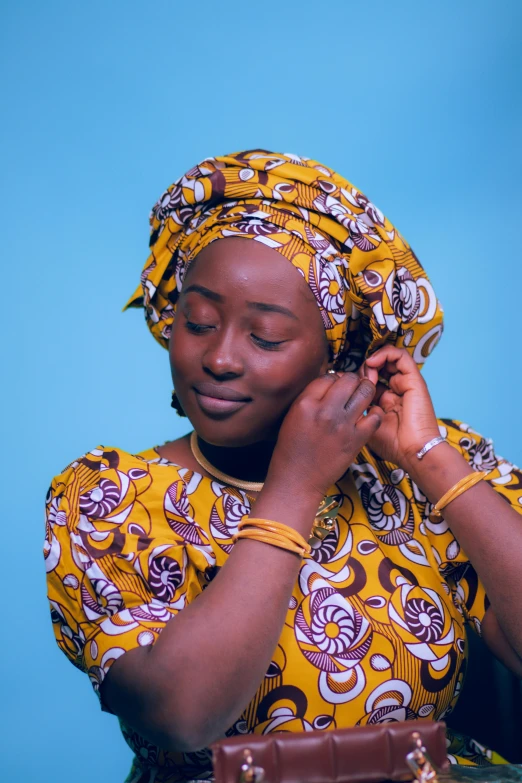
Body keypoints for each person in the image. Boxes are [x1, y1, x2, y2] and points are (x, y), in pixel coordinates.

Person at [45, 151, 522, 783]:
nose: (219, 358)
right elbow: (180, 714)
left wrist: (429, 462)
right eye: (198, 322)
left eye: (265, 337)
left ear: (338, 354)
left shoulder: (419, 470)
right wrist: (294, 486)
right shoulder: (110, 496)